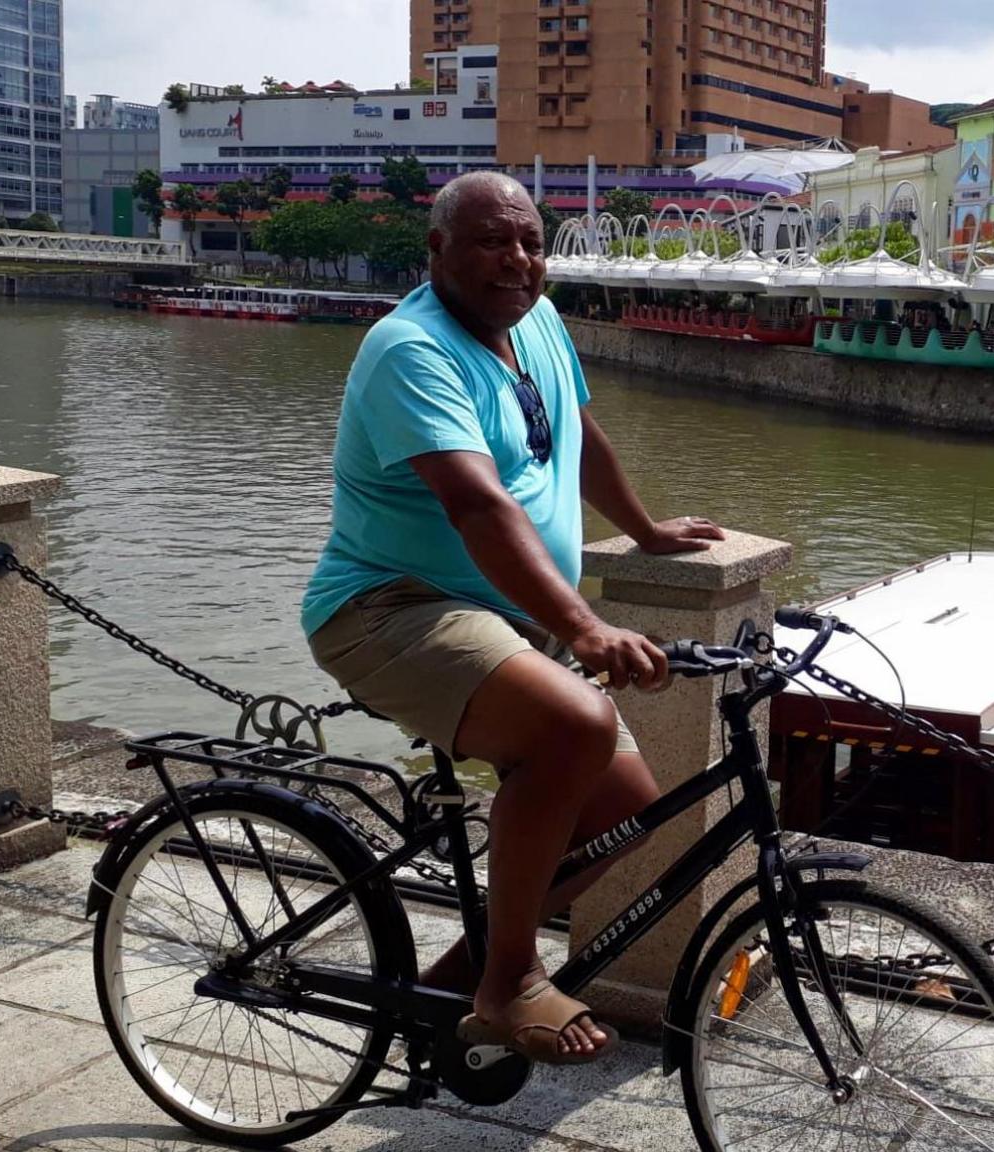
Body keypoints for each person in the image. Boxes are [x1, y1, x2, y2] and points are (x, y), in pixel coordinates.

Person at [301, 172, 725, 1065]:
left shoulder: (535, 321)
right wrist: (582, 628)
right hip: (390, 607)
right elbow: (479, 506)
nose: (519, 261)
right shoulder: (409, 349)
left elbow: (573, 433)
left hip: (500, 619)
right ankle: (508, 983)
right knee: (574, 724)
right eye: (494, 241)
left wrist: (643, 530)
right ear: (438, 251)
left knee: (626, 807)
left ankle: (449, 987)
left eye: (531, 242)